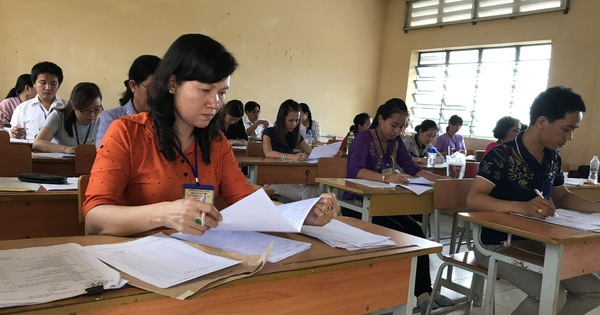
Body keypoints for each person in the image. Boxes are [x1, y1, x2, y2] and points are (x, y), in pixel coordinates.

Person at [83, 34, 338, 237]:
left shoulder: (216, 143)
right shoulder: (127, 133)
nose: (215, 104)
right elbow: (94, 219)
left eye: (222, 92)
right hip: (139, 264)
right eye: (205, 90)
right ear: (172, 84)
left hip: (200, 259)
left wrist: (301, 213)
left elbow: (246, 201)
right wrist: (166, 214)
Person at [467, 86, 600, 314]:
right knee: (548, 295)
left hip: (539, 242)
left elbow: (563, 197)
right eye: (566, 129)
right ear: (541, 121)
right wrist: (522, 207)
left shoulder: (553, 157)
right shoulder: (502, 154)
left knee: (594, 290)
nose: (569, 137)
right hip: (495, 242)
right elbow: (474, 199)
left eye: (573, 130)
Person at [344, 98, 453, 311]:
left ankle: (424, 291)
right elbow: (354, 171)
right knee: (402, 233)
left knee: (416, 230)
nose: (397, 130)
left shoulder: (396, 142)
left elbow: (412, 168)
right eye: (394, 125)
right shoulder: (363, 139)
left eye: (402, 126)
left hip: (383, 203)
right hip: (357, 204)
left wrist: (439, 180)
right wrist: (386, 179)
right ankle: (409, 292)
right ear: (381, 119)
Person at [95, 55, 161, 148]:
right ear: (133, 85)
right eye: (152, 88)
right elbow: (105, 152)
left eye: (161, 89)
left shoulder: (165, 119)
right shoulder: (112, 118)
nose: (157, 95)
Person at [262, 99, 319, 201]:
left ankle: (309, 214)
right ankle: (307, 214)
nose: (294, 124)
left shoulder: (295, 135)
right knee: (308, 195)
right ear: (282, 118)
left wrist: (328, 153)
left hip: (290, 175)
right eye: (291, 120)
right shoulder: (269, 132)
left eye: (297, 120)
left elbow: (311, 152)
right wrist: (291, 156)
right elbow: (268, 153)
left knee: (313, 186)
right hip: (272, 178)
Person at [32, 83, 103, 153]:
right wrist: (65, 149)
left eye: (97, 109)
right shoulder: (58, 117)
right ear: (73, 105)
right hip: (61, 163)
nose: (92, 115)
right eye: (86, 110)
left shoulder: (101, 123)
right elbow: (38, 143)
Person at [10, 61, 67, 140]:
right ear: (34, 84)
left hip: (60, 151)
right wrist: (16, 134)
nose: (48, 87)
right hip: (31, 151)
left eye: (53, 83)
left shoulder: (67, 108)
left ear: (59, 85)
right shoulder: (22, 109)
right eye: (43, 83)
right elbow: (15, 138)